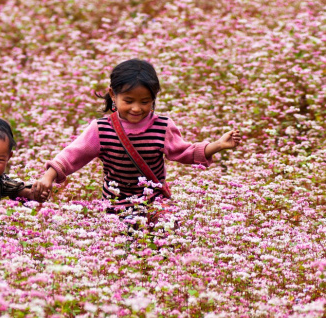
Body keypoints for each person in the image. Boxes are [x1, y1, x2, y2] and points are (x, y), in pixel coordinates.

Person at [34, 59, 241, 218]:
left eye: (145, 101)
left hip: (155, 202)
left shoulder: (163, 126)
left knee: (163, 246)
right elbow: (73, 155)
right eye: (129, 100)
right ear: (113, 95)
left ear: (154, 98)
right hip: (115, 204)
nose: (137, 108)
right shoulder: (101, 129)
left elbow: (184, 151)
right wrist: (48, 177)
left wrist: (219, 145)